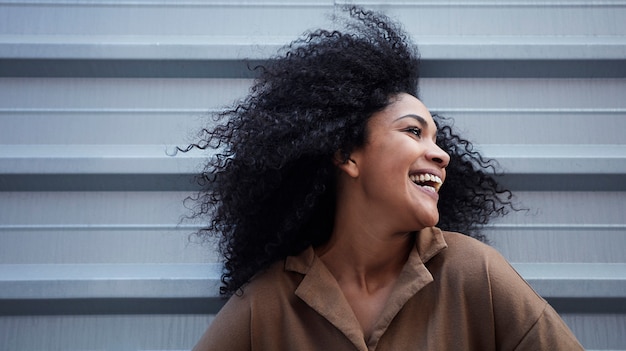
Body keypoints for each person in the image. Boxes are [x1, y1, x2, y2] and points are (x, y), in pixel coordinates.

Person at [189, 6, 584, 350]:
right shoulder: (269, 302)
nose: (442, 155)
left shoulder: (474, 273)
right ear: (347, 154)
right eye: (413, 131)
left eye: (437, 138)